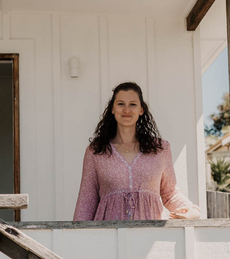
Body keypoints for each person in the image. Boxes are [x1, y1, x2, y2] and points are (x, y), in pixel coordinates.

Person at [73, 82, 200, 221]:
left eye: (132, 104)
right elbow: (86, 201)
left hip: (150, 235)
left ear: (141, 110)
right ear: (112, 109)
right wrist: (78, 236)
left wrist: (192, 211)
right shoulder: (96, 151)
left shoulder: (160, 149)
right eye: (121, 104)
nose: (126, 109)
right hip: (107, 235)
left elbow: (170, 194)